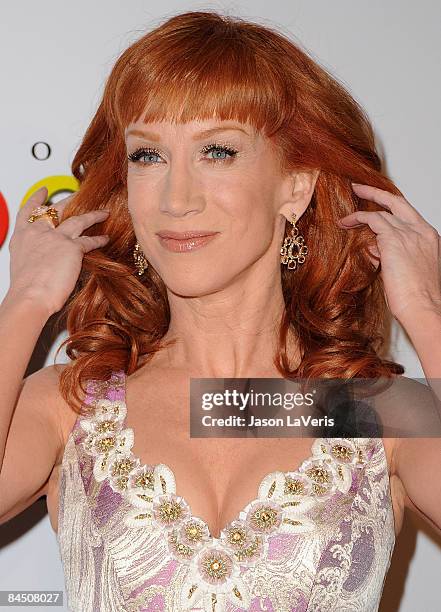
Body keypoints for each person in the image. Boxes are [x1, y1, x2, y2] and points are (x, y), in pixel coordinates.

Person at [1, 9, 440, 612]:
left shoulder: (374, 413)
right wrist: (24, 302)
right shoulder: (70, 404)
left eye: (218, 151)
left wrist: (425, 309)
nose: (177, 199)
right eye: (148, 156)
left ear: (295, 185)